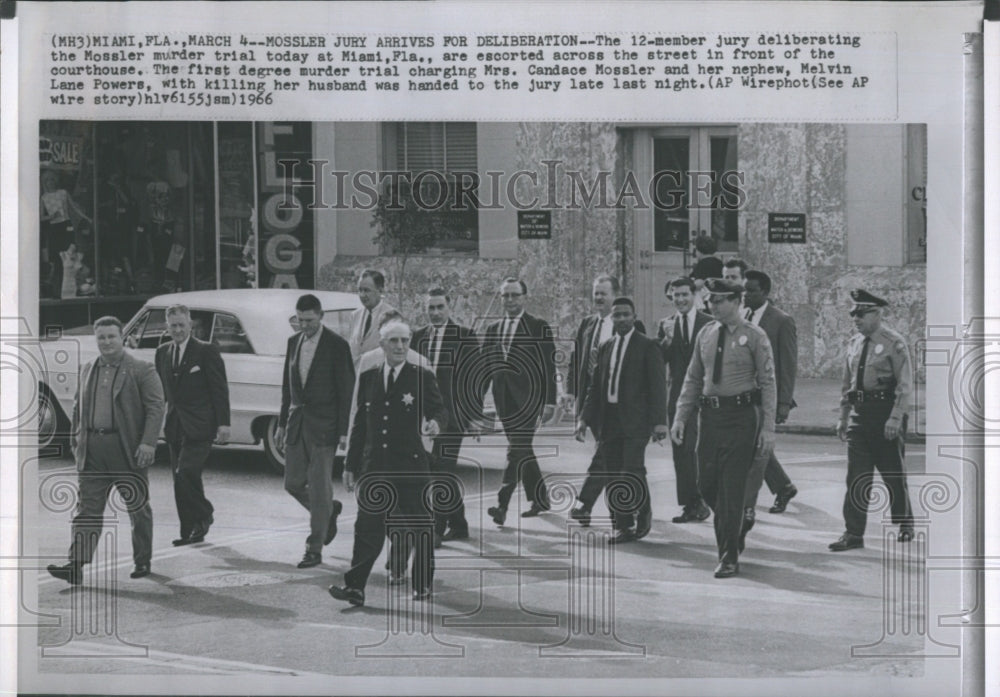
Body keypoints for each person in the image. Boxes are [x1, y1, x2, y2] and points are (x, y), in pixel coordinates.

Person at [329, 320, 447, 606]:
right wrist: (349, 465)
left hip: (410, 466)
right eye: (393, 341)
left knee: (420, 527)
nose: (400, 346)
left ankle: (422, 585)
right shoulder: (370, 377)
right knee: (367, 528)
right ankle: (355, 587)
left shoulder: (421, 376)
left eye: (405, 341)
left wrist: (435, 423)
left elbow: (439, 409)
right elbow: (361, 424)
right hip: (375, 467)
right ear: (382, 345)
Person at [670, 279, 776, 578]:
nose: (712, 306)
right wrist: (680, 416)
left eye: (718, 301)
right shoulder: (706, 333)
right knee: (707, 485)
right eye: (710, 301)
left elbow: (769, 383)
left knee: (731, 489)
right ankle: (739, 519)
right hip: (710, 419)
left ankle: (728, 555)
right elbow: (692, 378)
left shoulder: (755, 336)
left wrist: (768, 428)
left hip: (742, 418)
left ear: (736, 301)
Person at [47, 316, 165, 585]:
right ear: (96, 340)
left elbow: (156, 408)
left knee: (137, 507)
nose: (107, 342)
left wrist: (148, 442)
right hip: (93, 451)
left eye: (112, 336)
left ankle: (142, 560)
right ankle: (75, 566)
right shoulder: (88, 368)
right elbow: (78, 407)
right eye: (102, 337)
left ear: (122, 337)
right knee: (86, 510)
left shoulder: (141, 369)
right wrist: (77, 439)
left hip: (126, 450)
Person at [575, 298, 667, 543]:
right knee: (614, 473)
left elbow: (658, 387)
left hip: (636, 421)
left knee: (632, 471)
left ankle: (643, 511)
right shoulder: (606, 347)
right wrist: (583, 418)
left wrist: (659, 422)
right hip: (609, 420)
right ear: (612, 319)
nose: (622, 319)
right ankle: (622, 525)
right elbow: (595, 388)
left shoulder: (648, 346)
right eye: (617, 315)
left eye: (626, 315)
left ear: (634, 317)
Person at [830, 290, 915, 552]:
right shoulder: (854, 343)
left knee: (892, 474)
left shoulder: (894, 342)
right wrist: (843, 416)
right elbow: (848, 383)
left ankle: (904, 522)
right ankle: (853, 533)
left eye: (861, 313)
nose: (856, 318)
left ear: (878, 313)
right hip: (860, 414)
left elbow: (905, 385)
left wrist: (895, 417)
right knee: (857, 476)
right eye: (853, 313)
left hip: (884, 413)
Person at [277, 294, 355, 569]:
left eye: (309, 320)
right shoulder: (292, 343)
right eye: (300, 320)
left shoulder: (337, 346)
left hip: (325, 428)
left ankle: (314, 547)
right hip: (298, 423)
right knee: (293, 483)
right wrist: (281, 423)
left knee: (320, 489)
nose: (304, 325)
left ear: (321, 316)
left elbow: (347, 392)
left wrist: (345, 431)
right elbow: (288, 387)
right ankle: (328, 511)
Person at [566, 274, 646, 525]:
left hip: (620, 407)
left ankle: (586, 504)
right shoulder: (588, 324)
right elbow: (576, 359)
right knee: (606, 455)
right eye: (596, 293)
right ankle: (601, 507)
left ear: (615, 296)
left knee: (605, 455)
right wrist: (570, 392)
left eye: (603, 293)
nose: (598, 298)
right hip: (594, 401)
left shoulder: (629, 325)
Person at [482, 278, 557, 525]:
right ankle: (541, 498)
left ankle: (501, 504)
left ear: (525, 297)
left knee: (516, 450)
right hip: (504, 400)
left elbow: (548, 366)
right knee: (522, 449)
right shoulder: (493, 329)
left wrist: (549, 402)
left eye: (515, 295)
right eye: (506, 296)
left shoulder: (537, 326)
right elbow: (485, 367)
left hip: (529, 400)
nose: (510, 300)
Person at [411, 288, 484, 544]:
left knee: (441, 473)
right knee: (438, 471)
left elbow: (475, 380)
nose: (435, 313)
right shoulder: (417, 337)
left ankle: (435, 529)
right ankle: (459, 524)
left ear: (449, 307)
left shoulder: (465, 337)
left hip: (453, 418)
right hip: (424, 419)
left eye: (440, 307)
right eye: (431, 308)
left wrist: (475, 417)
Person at [155, 304, 231, 547]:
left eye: (181, 325)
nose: (177, 330)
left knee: (185, 472)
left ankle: (205, 513)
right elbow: (163, 394)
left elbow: (219, 389)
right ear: (167, 327)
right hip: (175, 425)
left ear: (190, 326)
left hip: (201, 425)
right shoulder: (162, 352)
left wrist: (224, 423)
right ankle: (189, 530)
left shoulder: (206, 351)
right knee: (182, 480)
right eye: (173, 326)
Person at [741, 271, 799, 518]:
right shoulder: (741, 316)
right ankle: (783, 486)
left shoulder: (781, 321)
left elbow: (788, 364)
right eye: (744, 290)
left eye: (751, 290)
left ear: (765, 292)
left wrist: (783, 403)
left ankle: (780, 488)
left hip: (767, 394)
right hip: (743, 394)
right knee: (753, 444)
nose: (745, 295)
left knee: (757, 444)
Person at [660, 278, 713, 524]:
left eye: (684, 294)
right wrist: (666, 342)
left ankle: (705, 499)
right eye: (675, 296)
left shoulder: (709, 322)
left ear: (694, 295)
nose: (679, 300)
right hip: (678, 396)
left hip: (704, 396)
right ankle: (690, 505)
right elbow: (662, 360)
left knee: (701, 450)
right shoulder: (666, 325)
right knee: (680, 451)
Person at [348, 269, 396, 365]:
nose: (362, 295)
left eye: (366, 290)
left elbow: (392, 353)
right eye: (360, 290)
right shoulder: (355, 315)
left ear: (380, 290)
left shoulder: (392, 316)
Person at [689, 234, 723, 311]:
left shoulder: (702, 264)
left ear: (699, 251)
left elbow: (699, 283)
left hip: (705, 302)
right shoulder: (719, 263)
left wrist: (689, 284)